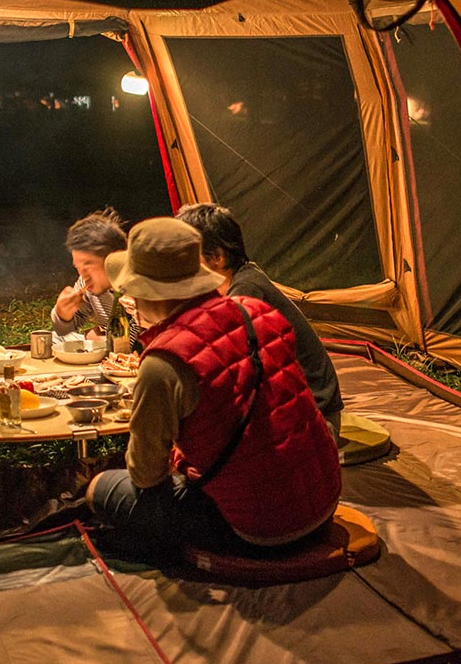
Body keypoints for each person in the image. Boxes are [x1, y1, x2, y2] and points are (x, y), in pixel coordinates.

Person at [86, 218, 341, 558]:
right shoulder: (256, 312)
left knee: (99, 489)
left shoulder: (163, 363)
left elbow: (146, 475)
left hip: (260, 530)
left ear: (145, 292)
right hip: (323, 500)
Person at [175, 202, 344, 437]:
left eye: (188, 254)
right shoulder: (237, 279)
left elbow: (222, 364)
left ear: (217, 257)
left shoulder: (246, 292)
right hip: (296, 408)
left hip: (315, 419)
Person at [51, 208, 129, 341]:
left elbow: (132, 341)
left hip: (141, 354)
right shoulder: (88, 284)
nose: (83, 275)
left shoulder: (137, 285)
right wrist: (62, 315)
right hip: (109, 346)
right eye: (78, 267)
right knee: (54, 338)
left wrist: (96, 338)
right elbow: (64, 330)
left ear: (113, 258)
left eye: (88, 265)